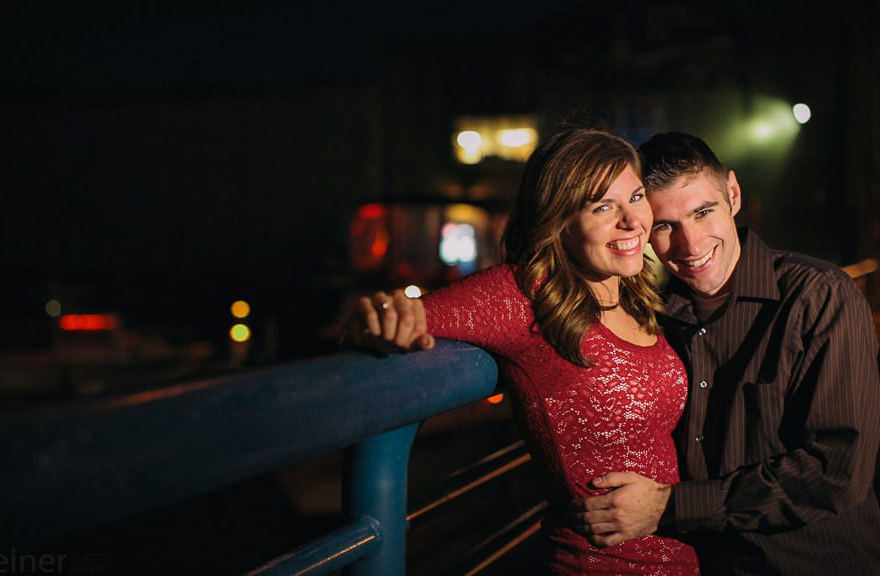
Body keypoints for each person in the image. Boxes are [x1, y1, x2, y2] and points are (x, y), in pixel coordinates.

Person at [345, 128, 700, 574]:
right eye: (603, 207)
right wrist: (378, 317)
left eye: (635, 197)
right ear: (559, 221)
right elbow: (398, 319)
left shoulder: (635, 293)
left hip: (685, 558)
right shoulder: (523, 297)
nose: (631, 221)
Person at [573, 132, 880, 575]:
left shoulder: (819, 297)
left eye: (703, 212)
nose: (691, 244)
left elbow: (836, 471)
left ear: (732, 195)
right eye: (665, 226)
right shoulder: (654, 321)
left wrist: (670, 505)